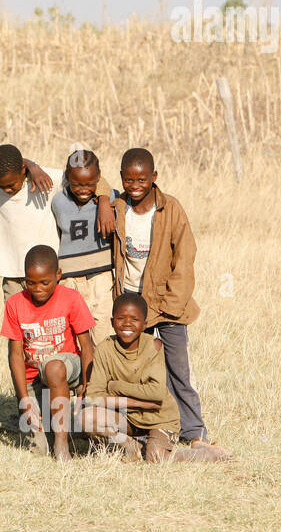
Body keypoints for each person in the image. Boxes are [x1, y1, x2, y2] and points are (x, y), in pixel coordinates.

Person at [111, 147, 220, 451]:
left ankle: (194, 431)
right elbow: (91, 183)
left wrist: (170, 305)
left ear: (154, 178)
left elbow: (185, 258)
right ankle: (147, 430)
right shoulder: (117, 207)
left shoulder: (170, 209)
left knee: (179, 371)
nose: (135, 186)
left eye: (142, 179)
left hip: (169, 307)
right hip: (133, 308)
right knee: (140, 372)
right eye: (129, 180)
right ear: (121, 178)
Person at [81, 293, 230, 462]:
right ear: (111, 322)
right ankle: (133, 448)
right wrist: (139, 403)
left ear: (144, 324)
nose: (127, 324)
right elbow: (93, 398)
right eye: (121, 318)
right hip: (128, 417)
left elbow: (156, 393)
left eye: (134, 319)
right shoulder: (104, 349)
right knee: (86, 417)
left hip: (159, 417)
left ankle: (206, 454)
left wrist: (115, 386)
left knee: (156, 457)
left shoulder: (154, 345)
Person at [0, 143, 113, 307]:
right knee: (17, 327)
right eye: (2, 186)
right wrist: (31, 164)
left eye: (11, 185)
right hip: (13, 275)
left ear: (23, 170)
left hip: (48, 275)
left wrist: (103, 200)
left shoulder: (46, 179)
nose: (7, 190)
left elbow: (89, 177)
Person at [1, 245, 96, 461]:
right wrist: (24, 399)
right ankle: (62, 432)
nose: (38, 288)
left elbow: (87, 346)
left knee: (53, 366)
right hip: (34, 379)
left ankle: (62, 444)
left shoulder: (71, 298)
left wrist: (86, 387)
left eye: (45, 282)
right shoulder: (15, 304)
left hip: (67, 368)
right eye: (31, 282)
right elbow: (15, 354)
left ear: (58, 275)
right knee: (38, 449)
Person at [52, 148, 116, 326]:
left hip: (101, 277)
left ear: (98, 178)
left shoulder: (110, 198)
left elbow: (104, 187)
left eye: (89, 184)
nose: (83, 190)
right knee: (73, 333)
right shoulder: (58, 201)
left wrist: (104, 200)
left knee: (103, 332)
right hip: (68, 279)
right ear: (67, 177)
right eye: (77, 184)